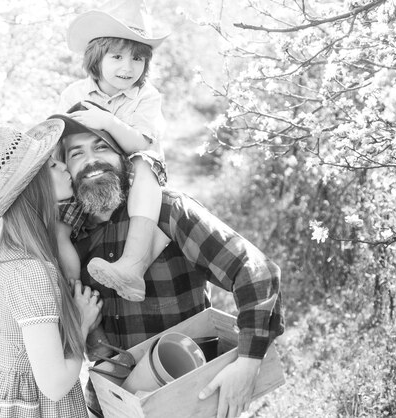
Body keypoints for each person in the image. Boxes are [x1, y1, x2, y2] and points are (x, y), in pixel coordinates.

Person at [52, 114, 285, 418]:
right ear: (66, 169)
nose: (92, 161)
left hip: (190, 396)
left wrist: (248, 363)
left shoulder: (167, 211)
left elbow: (255, 272)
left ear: (125, 158)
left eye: (102, 148)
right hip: (112, 405)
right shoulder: (72, 242)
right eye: (77, 153)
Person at [0, 120, 103, 418]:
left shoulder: (15, 245)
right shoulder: (30, 271)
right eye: (51, 165)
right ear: (34, 186)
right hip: (24, 405)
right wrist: (81, 324)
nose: (63, 166)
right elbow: (54, 385)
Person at [56, 0, 171, 303]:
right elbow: (62, 142)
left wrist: (108, 122)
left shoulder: (146, 96)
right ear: (96, 57)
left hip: (135, 177)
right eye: (117, 56)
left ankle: (133, 263)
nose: (127, 67)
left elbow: (142, 144)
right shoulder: (74, 94)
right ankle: (71, 293)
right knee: (59, 222)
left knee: (145, 164)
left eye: (137, 59)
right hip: (94, 174)